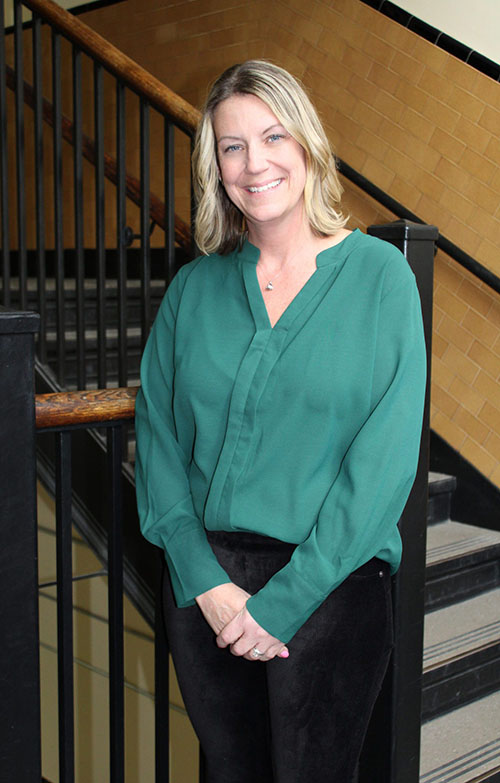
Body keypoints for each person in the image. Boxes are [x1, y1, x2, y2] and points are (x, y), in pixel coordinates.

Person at [135, 59, 426, 783]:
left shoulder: (378, 277)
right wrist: (203, 579)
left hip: (329, 588)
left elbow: (383, 463)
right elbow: (160, 439)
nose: (254, 162)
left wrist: (282, 604)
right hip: (208, 594)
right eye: (231, 146)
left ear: (307, 145)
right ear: (216, 166)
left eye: (272, 136)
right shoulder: (194, 287)